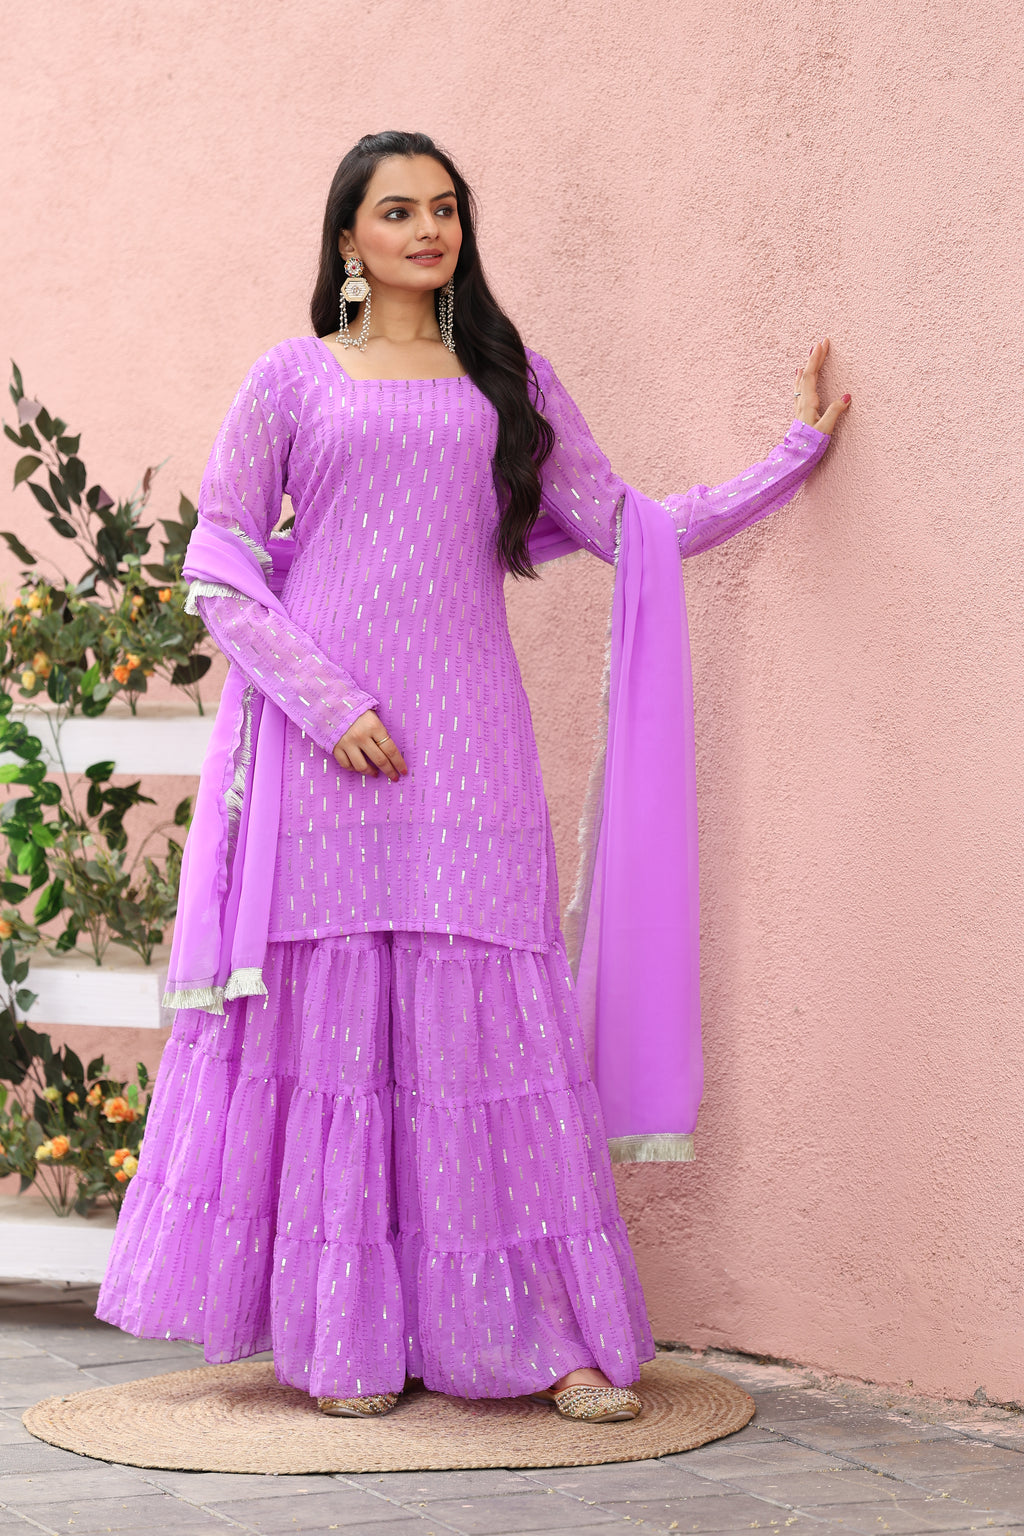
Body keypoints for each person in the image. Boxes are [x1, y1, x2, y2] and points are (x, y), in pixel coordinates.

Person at [95, 130, 849, 1424]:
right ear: (349, 239)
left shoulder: (510, 378)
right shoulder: (289, 381)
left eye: (445, 209)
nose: (428, 229)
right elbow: (220, 561)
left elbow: (627, 526)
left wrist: (793, 457)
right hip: (332, 747)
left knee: (493, 1033)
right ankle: (347, 1344)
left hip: (470, 745)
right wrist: (328, 708)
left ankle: (550, 1340)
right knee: (337, 1030)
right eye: (399, 211)